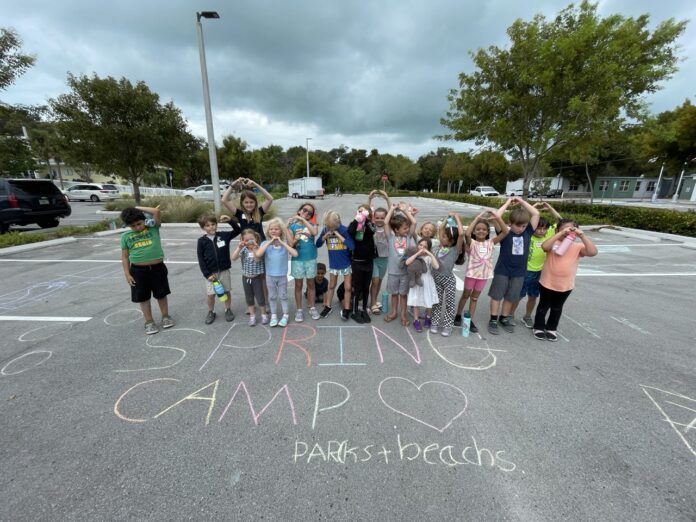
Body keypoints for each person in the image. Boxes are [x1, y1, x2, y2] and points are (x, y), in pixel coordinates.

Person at [533, 219, 598, 341]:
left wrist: (581, 235)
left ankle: (552, 328)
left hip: (565, 285)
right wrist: (560, 233)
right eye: (563, 229)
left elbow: (593, 252)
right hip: (547, 282)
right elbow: (544, 246)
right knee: (543, 306)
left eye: (571, 229)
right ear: (557, 230)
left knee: (557, 307)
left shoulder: (578, 247)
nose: (567, 232)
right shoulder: (554, 243)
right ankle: (539, 326)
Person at [487, 197, 540, 335]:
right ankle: (493, 319)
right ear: (511, 223)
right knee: (497, 295)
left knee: (511, 296)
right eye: (518, 226)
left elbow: (536, 214)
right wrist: (507, 202)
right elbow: (496, 216)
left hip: (519, 272)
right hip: (503, 270)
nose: (521, 229)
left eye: (523, 226)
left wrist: (521, 201)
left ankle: (504, 318)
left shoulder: (528, 232)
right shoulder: (505, 232)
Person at [222, 177, 274, 311]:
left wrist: (255, 184)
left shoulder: (260, 212)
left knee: (262, 277)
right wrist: (233, 185)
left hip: (260, 247)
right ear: (242, 203)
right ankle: (251, 304)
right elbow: (224, 200)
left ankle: (265, 303)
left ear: (255, 203)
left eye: (252, 202)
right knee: (249, 276)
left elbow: (270, 199)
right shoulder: (239, 214)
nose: (249, 204)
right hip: (246, 248)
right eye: (246, 202)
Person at [120, 206, 174, 335]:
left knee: (161, 294)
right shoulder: (126, 236)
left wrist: (134, 208)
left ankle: (165, 316)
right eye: (133, 226)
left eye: (139, 223)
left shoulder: (153, 228)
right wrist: (127, 273)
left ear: (144, 220)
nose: (137, 227)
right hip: (138, 271)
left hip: (157, 268)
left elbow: (156, 211)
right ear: (128, 226)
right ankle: (149, 322)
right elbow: (125, 256)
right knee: (143, 298)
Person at [454, 208, 508, 332]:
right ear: (474, 231)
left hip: (483, 276)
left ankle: (470, 320)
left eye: (484, 229)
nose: (481, 231)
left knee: (474, 298)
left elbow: (505, 232)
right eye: (478, 229)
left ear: (488, 231)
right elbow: (467, 234)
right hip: (471, 275)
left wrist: (497, 217)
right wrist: (479, 217)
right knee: (465, 296)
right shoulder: (471, 243)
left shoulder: (490, 243)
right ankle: (458, 315)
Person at [510, 202, 562, 328]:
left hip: (540, 272)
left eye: (544, 228)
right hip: (524, 271)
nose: (541, 231)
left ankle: (527, 316)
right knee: (518, 295)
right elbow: (524, 218)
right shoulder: (527, 235)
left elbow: (560, 221)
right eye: (539, 228)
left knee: (533, 296)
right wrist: (534, 206)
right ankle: (510, 314)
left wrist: (549, 207)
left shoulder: (549, 235)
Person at [196, 213, 241, 325]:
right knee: (211, 294)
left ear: (216, 225)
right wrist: (207, 274)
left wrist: (230, 220)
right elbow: (201, 259)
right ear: (203, 228)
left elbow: (238, 230)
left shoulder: (223, 236)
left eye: (213, 224)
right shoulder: (201, 241)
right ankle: (211, 311)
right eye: (207, 225)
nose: (211, 227)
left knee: (226, 291)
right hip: (211, 274)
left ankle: (228, 309)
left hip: (224, 271)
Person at [255, 218, 297, 328]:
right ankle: (274, 315)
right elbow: (258, 254)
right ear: (268, 231)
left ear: (281, 231)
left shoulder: (284, 244)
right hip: (270, 275)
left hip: (282, 275)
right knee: (272, 296)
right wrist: (270, 241)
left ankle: (285, 315)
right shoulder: (265, 243)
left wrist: (282, 242)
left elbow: (294, 253)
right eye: (271, 229)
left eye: (276, 229)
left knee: (283, 296)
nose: (273, 231)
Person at [429, 213, 464, 336]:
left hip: (448, 280)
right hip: (436, 278)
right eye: (442, 236)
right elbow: (441, 229)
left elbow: (461, 234)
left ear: (451, 240)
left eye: (444, 237)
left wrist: (457, 218)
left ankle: (448, 325)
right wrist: (446, 218)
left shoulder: (455, 250)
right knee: (437, 302)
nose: (441, 237)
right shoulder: (440, 246)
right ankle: (435, 322)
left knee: (449, 303)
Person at [316, 210, 355, 320]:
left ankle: (346, 309)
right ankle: (328, 306)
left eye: (331, 226)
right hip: (334, 265)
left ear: (337, 223)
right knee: (332, 286)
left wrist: (338, 235)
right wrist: (324, 236)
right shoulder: (325, 230)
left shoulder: (344, 230)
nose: (330, 228)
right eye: (328, 226)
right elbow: (318, 244)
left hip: (346, 264)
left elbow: (352, 246)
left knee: (348, 288)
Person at [383, 203, 417, 326]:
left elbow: (413, 223)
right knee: (394, 294)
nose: (407, 229)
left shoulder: (408, 237)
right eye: (404, 228)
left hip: (405, 273)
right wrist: (391, 209)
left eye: (407, 228)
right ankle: (393, 312)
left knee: (403, 294)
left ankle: (403, 314)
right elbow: (386, 223)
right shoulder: (390, 238)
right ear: (396, 230)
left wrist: (404, 211)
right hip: (393, 272)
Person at [287, 203, 320, 322]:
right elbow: (290, 245)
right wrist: (296, 239)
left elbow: (314, 233)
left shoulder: (312, 224)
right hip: (297, 260)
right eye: (304, 210)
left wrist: (303, 220)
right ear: (299, 210)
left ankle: (312, 307)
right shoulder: (292, 226)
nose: (306, 213)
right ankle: (299, 309)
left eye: (309, 213)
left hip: (310, 259)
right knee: (298, 285)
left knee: (311, 284)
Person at [231, 229, 268, 327]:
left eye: (251, 239)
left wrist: (255, 248)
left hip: (257, 278)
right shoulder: (243, 250)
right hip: (246, 277)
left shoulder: (259, 249)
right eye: (246, 240)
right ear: (242, 240)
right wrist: (239, 247)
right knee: (249, 298)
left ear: (255, 238)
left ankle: (264, 314)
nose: (249, 242)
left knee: (260, 297)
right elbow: (233, 258)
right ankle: (252, 316)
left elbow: (257, 259)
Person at [348, 204, 376, 323]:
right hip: (357, 262)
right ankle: (354, 311)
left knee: (366, 287)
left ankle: (364, 309)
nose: (362, 214)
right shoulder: (354, 224)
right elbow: (350, 232)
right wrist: (357, 219)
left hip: (368, 262)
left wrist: (367, 219)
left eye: (364, 212)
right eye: (360, 211)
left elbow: (372, 231)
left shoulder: (370, 225)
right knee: (358, 287)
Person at [406, 238, 439, 332]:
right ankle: (416, 320)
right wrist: (417, 254)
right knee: (416, 301)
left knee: (428, 301)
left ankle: (428, 317)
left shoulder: (428, 257)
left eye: (425, 247)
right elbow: (407, 262)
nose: (422, 248)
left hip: (427, 281)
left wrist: (430, 254)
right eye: (420, 245)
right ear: (417, 245)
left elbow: (436, 266)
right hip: (417, 281)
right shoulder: (414, 256)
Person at [367, 190, 391, 314]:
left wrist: (387, 198)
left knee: (379, 281)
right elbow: (366, 212)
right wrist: (370, 198)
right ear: (373, 218)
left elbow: (391, 213)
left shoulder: (388, 226)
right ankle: (372, 304)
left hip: (385, 258)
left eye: (382, 218)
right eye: (377, 217)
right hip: (374, 258)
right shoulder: (372, 226)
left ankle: (375, 300)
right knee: (375, 280)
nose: (380, 220)